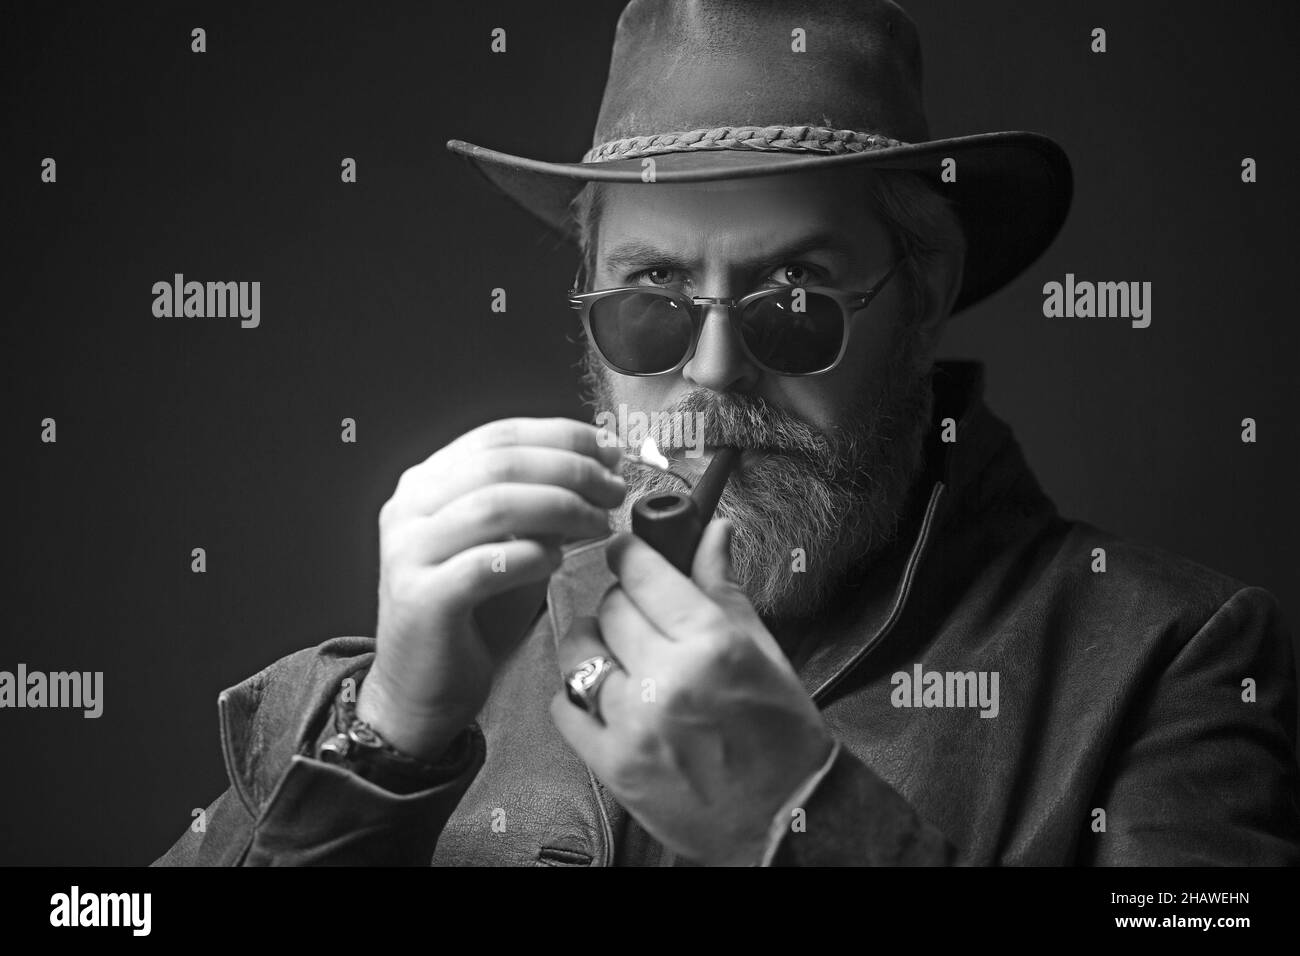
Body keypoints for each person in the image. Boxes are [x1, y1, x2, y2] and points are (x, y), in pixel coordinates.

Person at [154, 0, 1300, 866]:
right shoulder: (450, 651)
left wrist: (800, 815)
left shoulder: (1173, 663)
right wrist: (386, 744)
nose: (711, 373)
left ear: (925, 285)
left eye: (794, 297)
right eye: (649, 297)